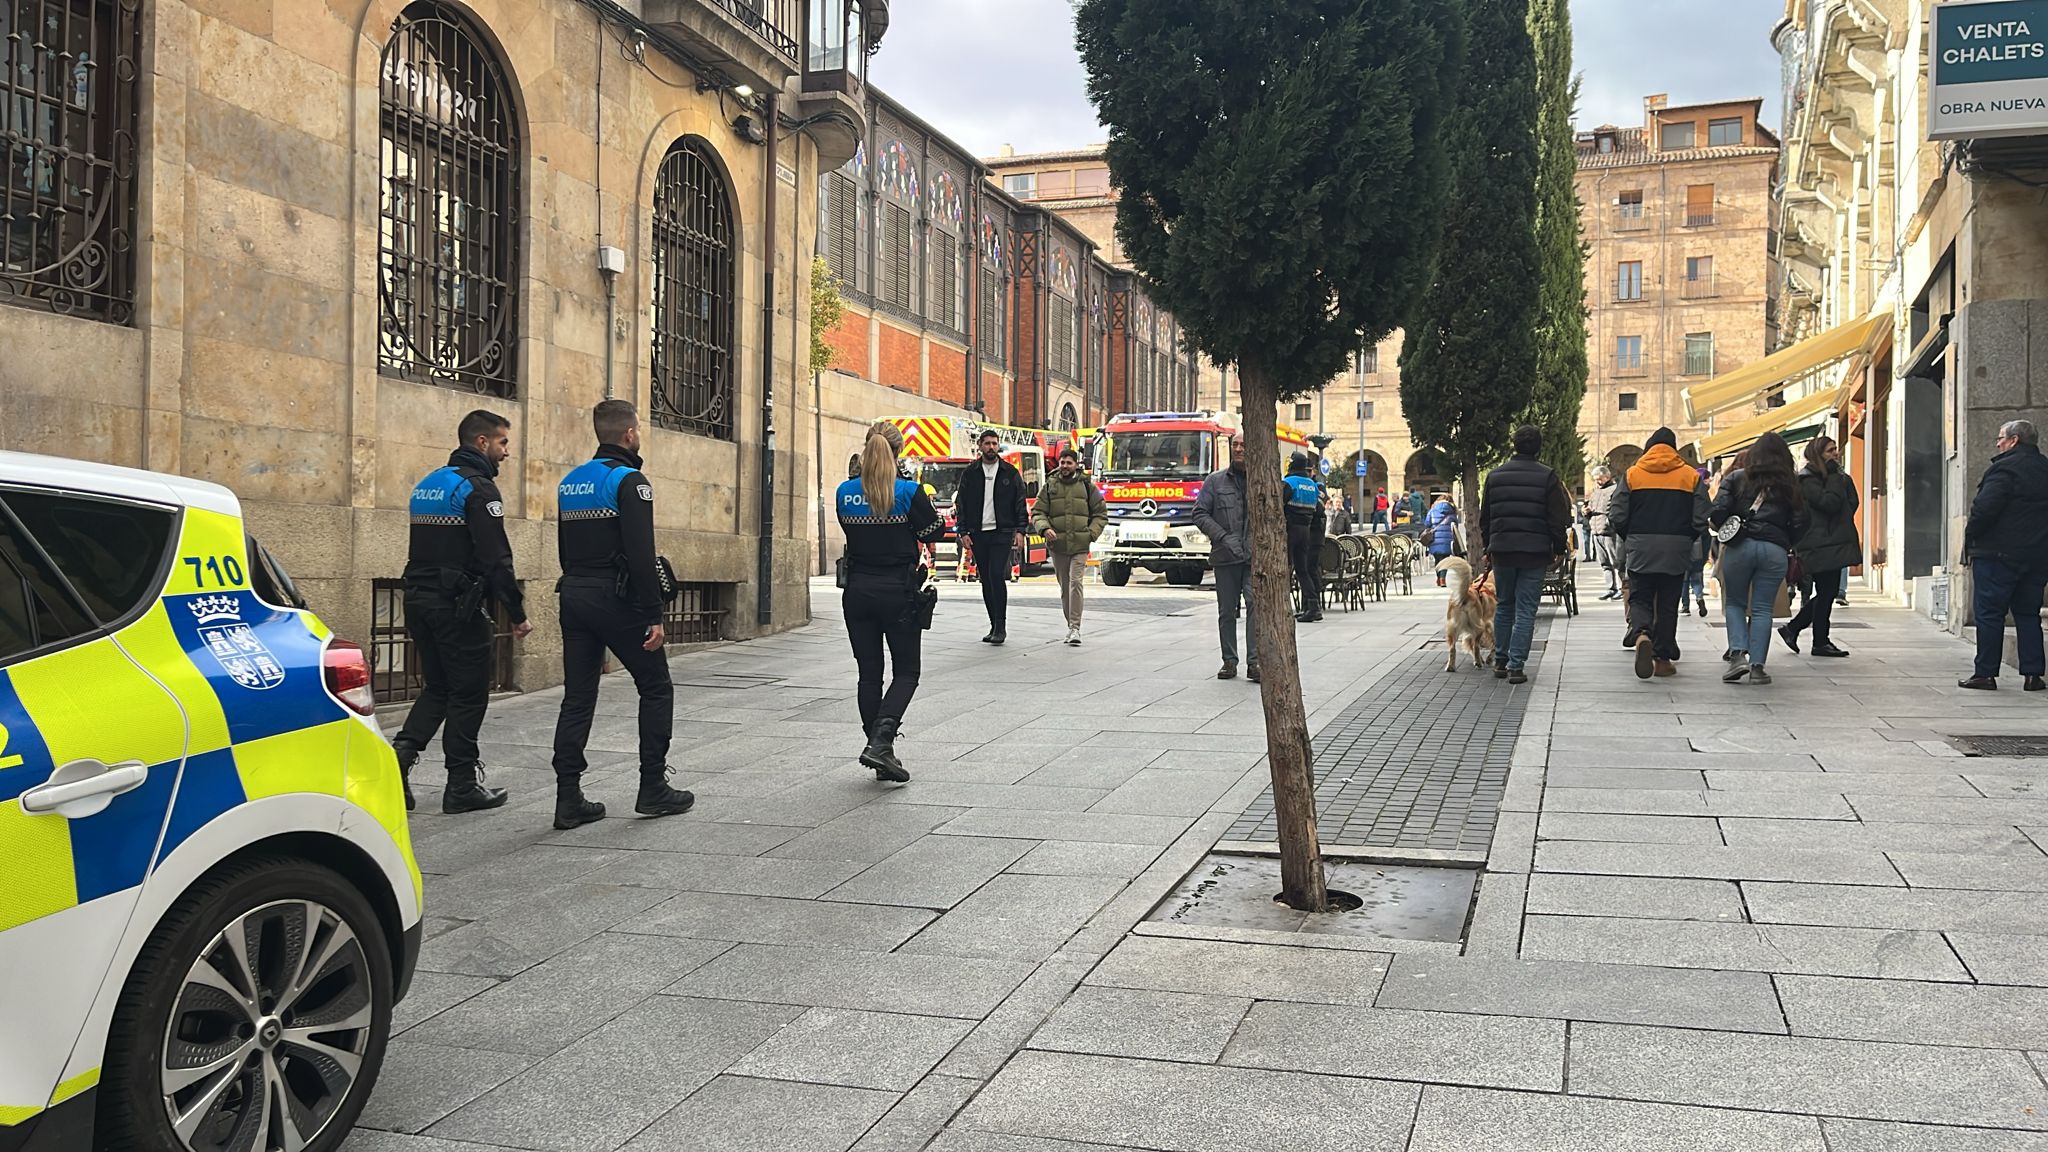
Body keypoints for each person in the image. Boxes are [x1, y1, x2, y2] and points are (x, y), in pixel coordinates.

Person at [549, 400, 695, 829]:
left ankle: (568, 797)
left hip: (574, 594)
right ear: (630, 433)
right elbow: (640, 552)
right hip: (615, 599)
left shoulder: (570, 482)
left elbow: (563, 549)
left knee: (577, 697)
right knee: (655, 686)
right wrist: (653, 613)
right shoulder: (629, 481)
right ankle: (653, 787)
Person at [392, 410, 531, 814]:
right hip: (457, 606)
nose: (507, 453)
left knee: (438, 687)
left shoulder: (428, 484)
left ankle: (398, 760)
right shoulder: (478, 489)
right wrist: (517, 612)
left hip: (418, 600)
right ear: (482, 442)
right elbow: (496, 559)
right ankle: (462, 784)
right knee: (468, 695)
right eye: (503, 443)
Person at [837, 420, 943, 779]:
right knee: (907, 671)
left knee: (869, 673)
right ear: (897, 453)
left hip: (857, 592)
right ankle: (881, 742)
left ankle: (877, 748)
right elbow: (933, 530)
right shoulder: (908, 492)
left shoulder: (844, 492)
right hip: (897, 590)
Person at [1608, 428, 1709, 679]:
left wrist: (1630, 536)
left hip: (1641, 545)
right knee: (1668, 603)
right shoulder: (1690, 476)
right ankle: (1662, 660)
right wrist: (1688, 537)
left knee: (1640, 595)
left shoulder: (1633, 474)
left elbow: (1617, 515)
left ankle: (1642, 632)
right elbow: (1701, 517)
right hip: (1676, 547)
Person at [1710, 431, 1806, 686]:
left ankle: (1738, 654)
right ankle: (1758, 667)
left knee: (1735, 603)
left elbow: (1717, 511)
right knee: (1763, 609)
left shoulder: (1736, 478)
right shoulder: (1791, 485)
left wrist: (1728, 526)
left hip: (1739, 547)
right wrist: (1787, 540)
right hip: (1774, 549)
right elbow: (1801, 522)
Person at [1478, 425, 1572, 684]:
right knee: (1527, 609)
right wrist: (1559, 548)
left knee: (1505, 605)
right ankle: (1516, 666)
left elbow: (1486, 517)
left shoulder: (1495, 476)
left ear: (1514, 445)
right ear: (1539, 447)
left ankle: (1500, 660)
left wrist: (1489, 546)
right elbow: (1557, 518)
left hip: (1503, 551)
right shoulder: (1548, 476)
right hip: (1534, 552)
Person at [1959, 419, 2048, 691]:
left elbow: (1984, 509)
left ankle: (1985, 672)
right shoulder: (2045, 469)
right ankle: (2033, 674)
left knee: (1990, 614)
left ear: (2014, 440)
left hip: (1998, 553)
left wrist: (1971, 535)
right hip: (2036, 555)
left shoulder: (2004, 469)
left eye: (2000, 438)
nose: (1997, 443)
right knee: (2028, 613)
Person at [1779, 435, 1860, 659]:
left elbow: (1851, 502)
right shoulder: (1807, 480)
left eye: (1835, 449)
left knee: (1827, 592)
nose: (1835, 453)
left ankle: (1798, 631)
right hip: (1818, 543)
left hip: (1831, 541)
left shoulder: (1837, 477)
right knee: (1826, 592)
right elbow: (1831, 503)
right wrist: (1835, 477)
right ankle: (1815, 639)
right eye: (1829, 451)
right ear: (1817, 455)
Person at [952, 429, 1028, 645]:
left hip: (1001, 532)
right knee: (985, 578)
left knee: (996, 574)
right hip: (978, 533)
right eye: (987, 444)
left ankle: (1001, 625)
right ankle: (993, 624)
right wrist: (963, 531)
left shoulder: (1009, 473)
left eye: (994, 443)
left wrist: (1020, 531)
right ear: (980, 447)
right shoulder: (970, 473)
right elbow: (962, 504)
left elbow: (1020, 503)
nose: (991, 447)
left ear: (998, 446)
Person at [1193, 433, 1259, 682]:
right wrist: (1222, 537)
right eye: (1235, 445)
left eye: (1244, 445)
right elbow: (1199, 514)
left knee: (1254, 605)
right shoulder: (1215, 482)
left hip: (1253, 558)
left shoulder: (1260, 481)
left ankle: (1255, 662)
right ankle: (1229, 661)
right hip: (1225, 556)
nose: (1239, 449)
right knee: (1227, 611)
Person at [1032, 446, 1108, 645]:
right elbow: (1038, 512)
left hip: (1080, 545)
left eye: (1069, 463)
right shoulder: (1050, 485)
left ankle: (1075, 627)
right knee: (1065, 587)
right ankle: (1070, 626)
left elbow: (1100, 513)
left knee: (1076, 583)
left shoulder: (1087, 487)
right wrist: (1044, 529)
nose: (1065, 466)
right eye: (1062, 462)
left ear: (1076, 465)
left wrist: (1091, 534)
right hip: (1058, 546)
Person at [1284, 452, 1328, 623]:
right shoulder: (1312, 485)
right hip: (1306, 532)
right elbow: (1319, 509)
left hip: (1290, 530)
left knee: (1285, 569)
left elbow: (1278, 504)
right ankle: (1313, 606)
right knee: (1303, 571)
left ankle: (1283, 606)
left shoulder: (1288, 482)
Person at [1584, 467, 1622, 599]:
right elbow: (1590, 506)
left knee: (1616, 562)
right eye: (1595, 480)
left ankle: (1622, 588)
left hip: (1609, 532)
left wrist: (1609, 521)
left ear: (1607, 476)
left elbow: (1617, 509)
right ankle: (1610, 588)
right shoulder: (1595, 492)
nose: (1598, 482)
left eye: (1600, 479)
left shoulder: (1615, 490)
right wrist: (1586, 511)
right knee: (1604, 563)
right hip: (1596, 530)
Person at [1424, 492, 1460, 586]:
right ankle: (1442, 579)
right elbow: (1455, 525)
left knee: (1437, 559)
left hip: (1435, 538)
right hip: (1447, 538)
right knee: (1445, 559)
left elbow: (1427, 524)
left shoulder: (1432, 510)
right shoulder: (1452, 511)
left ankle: (1438, 578)